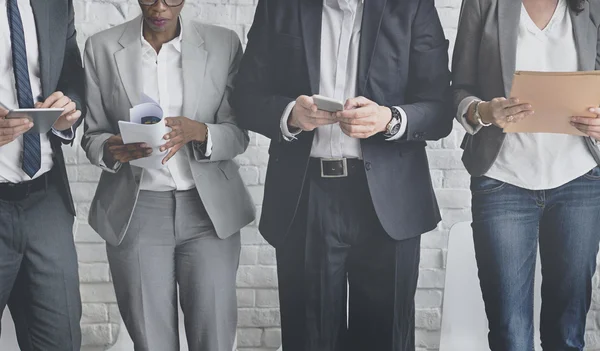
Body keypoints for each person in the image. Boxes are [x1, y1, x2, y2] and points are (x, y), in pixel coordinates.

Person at [231, 0, 452, 350]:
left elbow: (440, 107)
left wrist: (390, 119)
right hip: (306, 198)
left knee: (386, 339)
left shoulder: (411, 6)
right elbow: (245, 97)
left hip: (390, 201)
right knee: (309, 339)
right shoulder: (279, 6)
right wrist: (289, 114)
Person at [81, 0, 255, 350]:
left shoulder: (224, 44)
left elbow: (238, 133)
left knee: (215, 338)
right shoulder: (101, 47)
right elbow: (92, 135)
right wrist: (112, 149)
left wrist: (202, 132)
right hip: (137, 211)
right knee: (151, 340)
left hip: (209, 214)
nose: (160, 7)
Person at [453, 0, 600, 349]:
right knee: (509, 334)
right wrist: (485, 111)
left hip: (578, 180)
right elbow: (459, 89)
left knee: (567, 333)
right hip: (503, 181)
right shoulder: (482, 4)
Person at [0, 0, 85, 349]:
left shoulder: (55, 3)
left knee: (60, 341)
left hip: (46, 200)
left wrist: (68, 109)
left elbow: (71, 71)